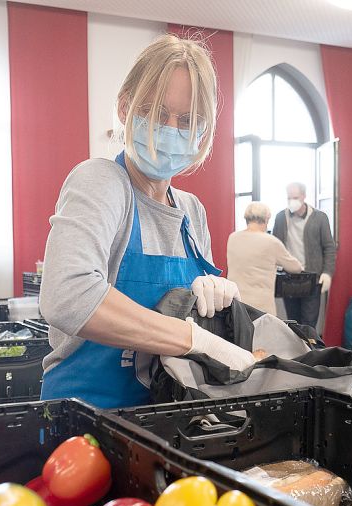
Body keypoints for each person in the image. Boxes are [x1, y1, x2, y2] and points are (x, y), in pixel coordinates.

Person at [39, 35, 255, 409]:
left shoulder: (192, 211)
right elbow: (67, 295)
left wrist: (214, 301)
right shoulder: (103, 182)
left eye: (188, 120)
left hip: (167, 417)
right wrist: (193, 339)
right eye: (158, 113)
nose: (172, 129)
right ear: (126, 108)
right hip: (87, 418)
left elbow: (188, 318)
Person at [272, 182, 337, 328]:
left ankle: (310, 350)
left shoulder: (319, 217)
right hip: (289, 278)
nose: (292, 201)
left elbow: (329, 247)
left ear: (304, 196)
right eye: (289, 198)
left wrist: (327, 273)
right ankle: (297, 351)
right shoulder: (281, 217)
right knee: (293, 323)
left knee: (309, 323)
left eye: (295, 197)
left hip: (312, 277)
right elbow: (275, 246)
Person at [226, 202, 303, 315]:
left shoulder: (233, 238)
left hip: (236, 304)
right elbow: (295, 268)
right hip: (261, 307)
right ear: (266, 219)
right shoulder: (271, 242)